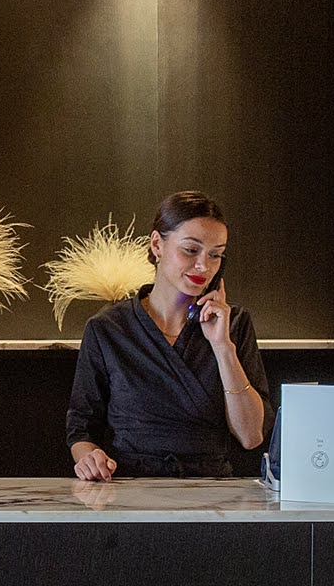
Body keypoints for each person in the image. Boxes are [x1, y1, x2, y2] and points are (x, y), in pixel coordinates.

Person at [67, 191, 270, 480]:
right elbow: (81, 429)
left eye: (215, 255)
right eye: (191, 250)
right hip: (130, 486)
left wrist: (222, 347)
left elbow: (251, 436)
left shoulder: (234, 323)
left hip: (211, 489)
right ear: (157, 245)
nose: (204, 266)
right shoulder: (108, 328)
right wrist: (89, 458)